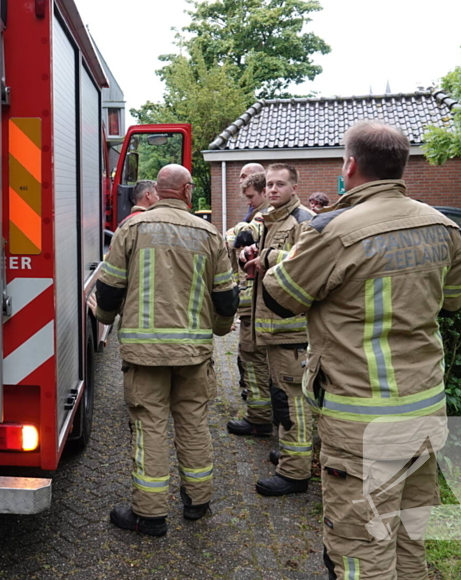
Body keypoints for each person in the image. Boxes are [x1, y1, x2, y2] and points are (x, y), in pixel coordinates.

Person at [259, 120, 461, 579]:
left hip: (362, 423)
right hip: (425, 412)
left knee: (361, 551)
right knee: (409, 539)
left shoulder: (333, 230)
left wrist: (280, 258)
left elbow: (280, 297)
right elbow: (454, 302)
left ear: (350, 165)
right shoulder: (442, 226)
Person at [95, 164, 238, 536]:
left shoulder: (132, 228)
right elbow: (226, 298)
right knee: (193, 424)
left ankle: (149, 514)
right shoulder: (209, 233)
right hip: (194, 354)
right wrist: (220, 330)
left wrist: (104, 318)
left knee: (150, 427)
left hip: (145, 356)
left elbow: (109, 290)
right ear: (188, 191)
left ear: (157, 191)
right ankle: (198, 501)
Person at [245, 163, 316, 496]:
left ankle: (295, 473)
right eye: (269, 185)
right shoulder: (272, 220)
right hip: (277, 329)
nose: (272, 190)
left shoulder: (304, 221)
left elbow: (307, 265)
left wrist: (269, 256)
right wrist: (253, 256)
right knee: (282, 398)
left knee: (293, 403)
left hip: (293, 330)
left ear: (295, 188)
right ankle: (291, 454)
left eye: (280, 184)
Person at [225, 172, 273, 438]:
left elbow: (242, 236)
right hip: (255, 303)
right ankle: (261, 416)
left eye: (252, 196)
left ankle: (260, 418)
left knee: (254, 359)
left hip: (258, 304)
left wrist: (232, 236)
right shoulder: (264, 215)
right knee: (254, 359)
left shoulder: (264, 217)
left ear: (264, 192)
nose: (249, 202)